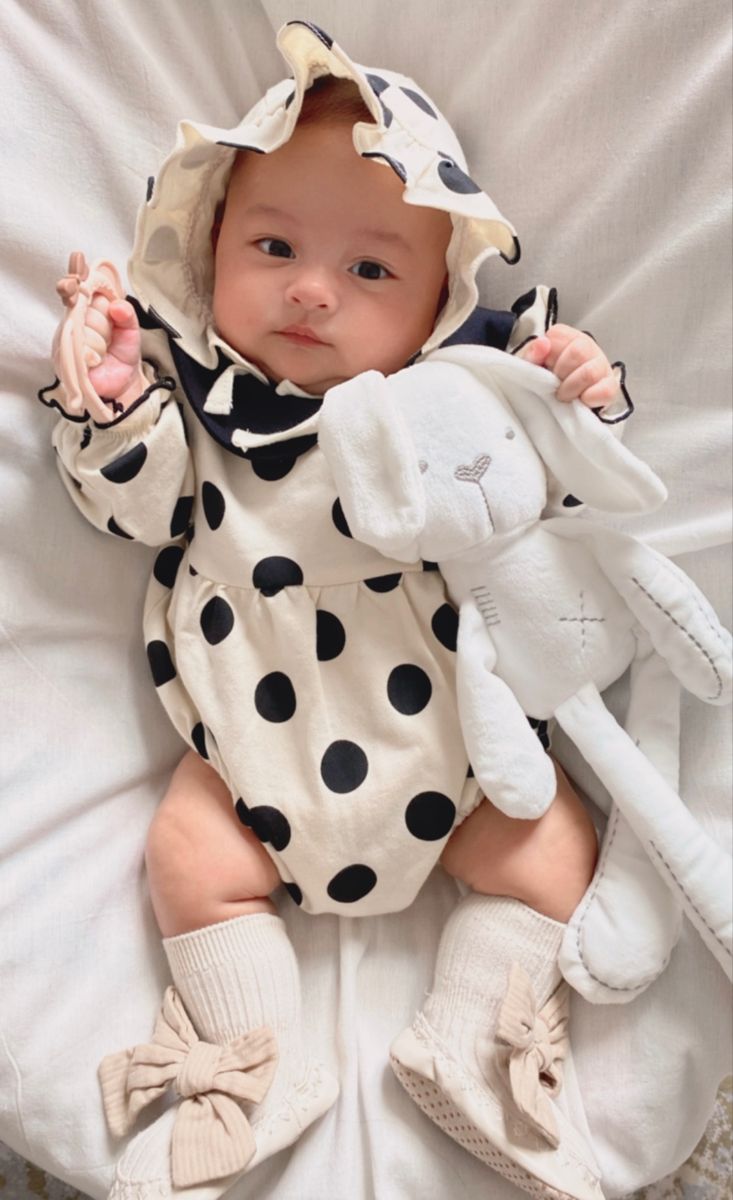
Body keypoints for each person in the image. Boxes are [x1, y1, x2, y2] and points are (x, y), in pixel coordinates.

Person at [41, 21, 628, 1200]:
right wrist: (109, 404)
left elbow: (558, 500)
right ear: (211, 251)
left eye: (371, 271)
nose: (311, 290)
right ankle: (260, 1063)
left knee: (558, 852)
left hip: (452, 762)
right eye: (272, 246)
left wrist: (581, 394)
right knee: (187, 856)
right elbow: (138, 510)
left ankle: (469, 1040)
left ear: (435, 306)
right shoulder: (205, 402)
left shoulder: (447, 407)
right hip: (252, 764)